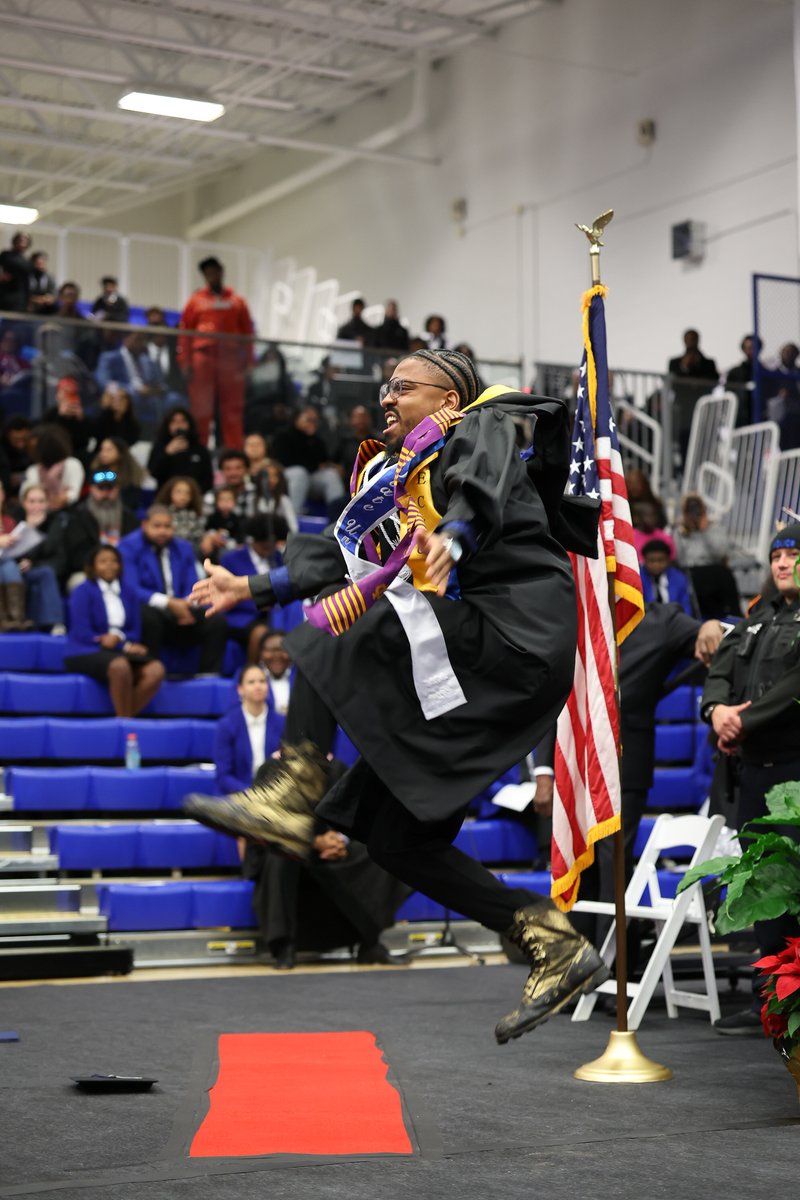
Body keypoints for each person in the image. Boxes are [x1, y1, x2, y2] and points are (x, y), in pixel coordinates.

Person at [186, 347, 609, 1043]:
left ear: (450, 396)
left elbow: (482, 485)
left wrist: (460, 538)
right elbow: (340, 555)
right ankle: (549, 939)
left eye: (402, 386)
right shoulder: (397, 471)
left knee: (343, 624)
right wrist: (248, 587)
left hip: (516, 636)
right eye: (385, 386)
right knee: (394, 839)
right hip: (479, 656)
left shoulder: (482, 423)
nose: (386, 397)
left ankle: (294, 787)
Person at [700, 522, 800, 1034]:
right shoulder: (758, 615)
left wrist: (743, 719)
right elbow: (720, 667)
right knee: (762, 886)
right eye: (777, 556)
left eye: (793, 554)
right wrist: (716, 709)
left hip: (794, 772)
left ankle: (794, 1004)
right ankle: (772, 1000)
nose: (783, 563)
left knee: (794, 886)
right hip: (752, 771)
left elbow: (794, 685)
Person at [119, 505, 228, 674]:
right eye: (157, 526)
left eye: (167, 527)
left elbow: (192, 582)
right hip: (153, 608)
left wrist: (186, 604)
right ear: (144, 525)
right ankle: (150, 674)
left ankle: (208, 676)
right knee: (147, 616)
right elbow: (131, 588)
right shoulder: (128, 547)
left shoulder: (183, 547)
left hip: (182, 608)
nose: (163, 531)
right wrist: (169, 603)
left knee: (216, 620)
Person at [64, 545, 165, 716]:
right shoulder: (82, 591)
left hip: (119, 649)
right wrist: (115, 644)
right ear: (92, 566)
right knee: (120, 666)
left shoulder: (129, 592)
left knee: (156, 669)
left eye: (114, 561)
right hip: (86, 649)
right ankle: (125, 725)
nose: (109, 566)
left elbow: (134, 630)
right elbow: (82, 632)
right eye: (103, 561)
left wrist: (120, 642)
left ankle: (124, 719)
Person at [178, 256, 253, 448]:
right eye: (207, 272)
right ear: (204, 276)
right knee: (201, 409)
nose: (212, 275)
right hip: (203, 358)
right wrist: (185, 362)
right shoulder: (195, 301)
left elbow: (248, 333)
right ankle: (199, 450)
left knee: (232, 410)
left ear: (221, 271)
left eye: (215, 271)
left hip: (230, 360)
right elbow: (185, 332)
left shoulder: (237, 301)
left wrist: (250, 362)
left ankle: (233, 452)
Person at [1, 481, 67, 632]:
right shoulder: (15, 519)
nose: (36, 506)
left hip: (32, 568)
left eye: (41, 501)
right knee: (9, 566)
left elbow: (58, 557)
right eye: (32, 501)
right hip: (11, 567)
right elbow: (12, 550)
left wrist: (30, 562)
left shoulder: (55, 522)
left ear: (47, 503)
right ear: (24, 503)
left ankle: (54, 623)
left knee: (46, 572)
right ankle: (9, 619)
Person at [59, 469, 139, 590]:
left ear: (117, 490)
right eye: (101, 488)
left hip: (123, 568)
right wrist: (101, 565)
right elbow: (76, 555)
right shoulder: (78, 516)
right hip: (89, 570)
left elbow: (135, 548)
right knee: (78, 582)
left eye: (110, 488)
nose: (105, 493)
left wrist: (116, 566)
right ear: (91, 489)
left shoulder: (128, 516)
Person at [218, 515, 282, 662]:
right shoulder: (231, 559)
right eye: (263, 545)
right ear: (254, 540)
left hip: (275, 613)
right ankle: (252, 671)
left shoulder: (278, 558)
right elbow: (227, 592)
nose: (268, 549)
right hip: (241, 615)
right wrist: (260, 603)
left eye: (271, 545)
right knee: (260, 633)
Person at [269, 405, 346, 521]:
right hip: (288, 478)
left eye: (315, 420)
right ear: (296, 419)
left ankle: (339, 522)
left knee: (331, 475)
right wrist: (311, 464)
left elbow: (323, 461)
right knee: (300, 472)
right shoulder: (283, 435)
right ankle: (291, 521)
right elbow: (283, 461)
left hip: (310, 478)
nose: (312, 423)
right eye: (308, 419)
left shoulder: (317, 440)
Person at [673, 492, 740, 619]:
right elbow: (679, 559)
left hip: (713, 570)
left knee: (725, 575)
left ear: (704, 509)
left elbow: (720, 553)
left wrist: (705, 531)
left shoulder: (715, 527)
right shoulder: (680, 530)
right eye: (690, 509)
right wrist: (683, 531)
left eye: (697, 508)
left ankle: (733, 618)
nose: (694, 513)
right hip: (691, 572)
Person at [147, 407, 213, 494]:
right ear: (168, 425)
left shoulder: (199, 450)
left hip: (194, 498)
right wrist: (167, 453)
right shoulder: (160, 447)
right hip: (165, 497)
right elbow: (153, 473)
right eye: (174, 422)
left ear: (189, 425)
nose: (178, 425)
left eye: (183, 421)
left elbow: (208, 479)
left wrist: (194, 495)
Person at [154, 476, 221, 559]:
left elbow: (199, 534)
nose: (183, 496)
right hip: (170, 549)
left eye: (187, 493)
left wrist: (207, 538)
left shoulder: (194, 514)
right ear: (169, 493)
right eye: (178, 492)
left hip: (194, 549)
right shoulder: (163, 514)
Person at [23, 424, 84, 512]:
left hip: (69, 513)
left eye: (37, 446)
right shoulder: (33, 470)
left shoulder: (72, 464)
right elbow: (26, 494)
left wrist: (64, 498)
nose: (33, 450)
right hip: (40, 512)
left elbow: (73, 494)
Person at [639, 535, 695, 614]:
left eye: (660, 560)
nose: (656, 565)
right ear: (644, 560)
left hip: (675, 620)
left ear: (668, 560)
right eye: (651, 560)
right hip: (647, 620)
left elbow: (685, 607)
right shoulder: (638, 578)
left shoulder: (679, 578)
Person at [145, 306, 187, 407]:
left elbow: (179, 377)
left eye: (161, 327)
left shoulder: (174, 352)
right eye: (154, 327)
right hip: (149, 392)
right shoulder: (142, 350)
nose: (158, 332)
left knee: (176, 399)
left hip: (171, 392)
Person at [204, 449, 262, 521]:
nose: (233, 473)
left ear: (247, 469)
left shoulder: (258, 493)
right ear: (221, 471)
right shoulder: (211, 496)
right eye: (228, 469)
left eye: (238, 468)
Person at [90, 438, 145, 511]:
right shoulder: (96, 473)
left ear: (120, 452)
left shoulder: (131, 475)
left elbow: (132, 502)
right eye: (102, 449)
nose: (104, 454)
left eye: (109, 450)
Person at [89, 383, 141, 448]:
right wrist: (104, 408)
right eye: (115, 398)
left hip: (122, 454)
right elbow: (94, 432)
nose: (118, 401)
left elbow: (128, 442)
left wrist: (120, 416)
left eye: (122, 398)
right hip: (101, 452)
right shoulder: (103, 417)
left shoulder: (133, 424)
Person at [258, 458, 298, 533]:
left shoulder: (284, 500)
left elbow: (293, 528)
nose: (270, 480)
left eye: (274, 476)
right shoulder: (253, 499)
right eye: (267, 476)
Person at [0, 231, 32, 314]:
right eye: (20, 239)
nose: (22, 241)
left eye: (25, 240)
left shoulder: (27, 261)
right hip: (5, 293)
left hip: (20, 296)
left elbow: (27, 283)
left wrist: (28, 301)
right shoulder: (6, 254)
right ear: (15, 241)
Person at [0, 416, 32, 499]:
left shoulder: (35, 446)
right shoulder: (2, 451)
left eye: (24, 439)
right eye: (15, 439)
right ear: (8, 436)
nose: (20, 444)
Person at [27, 251, 57, 317]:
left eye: (43, 262)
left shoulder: (50, 276)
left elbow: (53, 295)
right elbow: (23, 295)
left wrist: (45, 299)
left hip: (46, 308)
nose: (41, 265)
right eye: (38, 263)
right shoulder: (27, 276)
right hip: (29, 308)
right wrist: (36, 299)